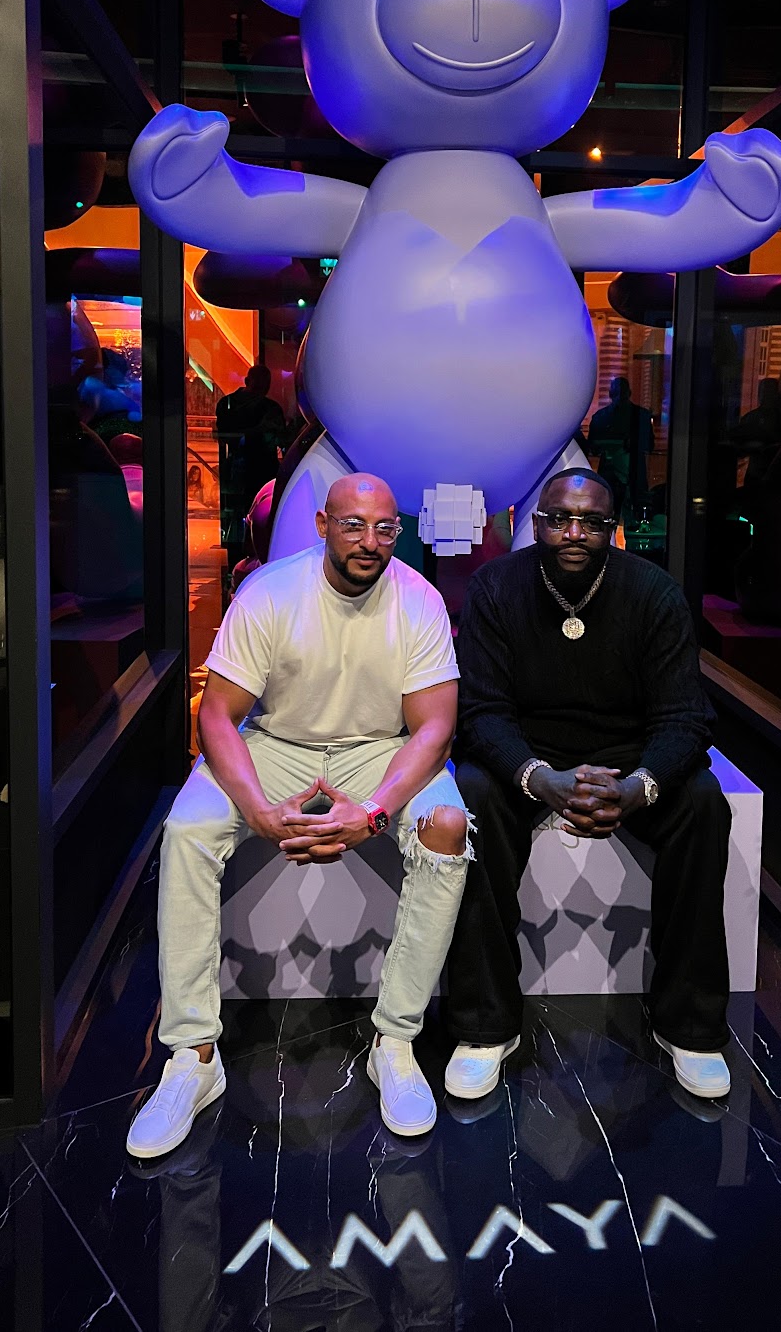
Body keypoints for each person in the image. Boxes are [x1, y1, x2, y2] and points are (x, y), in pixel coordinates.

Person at [127, 474, 470, 1158]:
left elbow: (434, 728)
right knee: (188, 828)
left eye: (384, 528)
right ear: (321, 525)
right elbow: (217, 716)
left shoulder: (419, 599)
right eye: (353, 525)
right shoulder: (270, 591)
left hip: (378, 748)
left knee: (446, 827)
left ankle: (395, 1041)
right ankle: (194, 1056)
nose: (369, 541)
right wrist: (256, 809)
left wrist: (374, 812)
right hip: (276, 743)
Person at [443, 468, 733, 1103]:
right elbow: (482, 712)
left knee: (703, 803)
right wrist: (539, 779)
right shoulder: (497, 587)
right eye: (559, 519)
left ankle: (689, 1026)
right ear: (535, 523)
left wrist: (638, 788)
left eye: (592, 522)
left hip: (627, 752)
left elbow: (685, 717)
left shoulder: (653, 593)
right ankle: (486, 1026)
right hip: (529, 749)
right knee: (474, 795)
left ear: (613, 530)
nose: (573, 533)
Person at [215, 364, 286, 567]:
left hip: (240, 471)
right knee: (256, 519)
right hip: (257, 471)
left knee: (237, 519)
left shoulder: (227, 404)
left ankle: (237, 564)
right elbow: (279, 439)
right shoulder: (270, 408)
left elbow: (225, 436)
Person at [587, 375, 654, 523]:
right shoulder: (641, 416)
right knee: (609, 516)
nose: (619, 396)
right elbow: (593, 447)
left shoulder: (601, 417)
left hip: (631, 477)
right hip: (618, 477)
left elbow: (649, 445)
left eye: (620, 392)